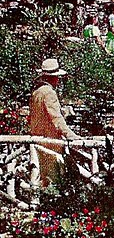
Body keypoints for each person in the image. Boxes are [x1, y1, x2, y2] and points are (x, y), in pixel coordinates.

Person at [29, 58, 80, 186]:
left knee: (43, 175)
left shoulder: (37, 91)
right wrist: (71, 135)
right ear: (53, 78)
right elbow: (56, 118)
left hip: (38, 138)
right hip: (50, 141)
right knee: (53, 177)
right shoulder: (49, 93)